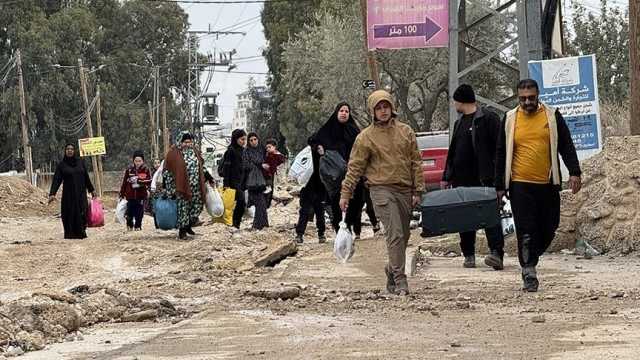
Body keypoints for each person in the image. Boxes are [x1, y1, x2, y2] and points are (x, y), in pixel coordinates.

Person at [495, 79, 582, 292]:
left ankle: (531, 256)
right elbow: (500, 152)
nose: (527, 102)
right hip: (519, 185)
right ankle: (529, 271)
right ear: (518, 98)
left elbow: (566, 144)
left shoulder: (552, 116)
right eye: (523, 98)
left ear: (538, 95)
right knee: (526, 229)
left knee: (550, 226)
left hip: (547, 183)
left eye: (531, 98)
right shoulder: (509, 119)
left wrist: (574, 171)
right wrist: (499, 185)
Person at [340, 90, 425, 296]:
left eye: (386, 106)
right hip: (380, 190)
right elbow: (355, 167)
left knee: (403, 236)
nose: (383, 111)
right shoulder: (365, 138)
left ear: (392, 107)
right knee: (394, 234)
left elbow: (416, 162)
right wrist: (346, 192)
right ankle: (400, 279)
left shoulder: (406, 132)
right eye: (378, 108)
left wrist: (418, 189)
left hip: (404, 189)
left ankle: (391, 268)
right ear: (373, 111)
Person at [441, 84, 505, 270]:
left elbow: (500, 150)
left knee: (490, 216)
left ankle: (496, 254)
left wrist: (498, 178)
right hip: (462, 181)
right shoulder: (459, 122)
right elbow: (453, 151)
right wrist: (447, 175)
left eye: (455, 101)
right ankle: (469, 255)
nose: (454, 104)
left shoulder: (488, 119)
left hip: (484, 180)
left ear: (461, 100)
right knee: (464, 218)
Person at [309, 102, 364, 237]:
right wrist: (318, 148)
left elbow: (363, 146)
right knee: (336, 201)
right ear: (336, 113)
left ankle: (349, 224)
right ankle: (340, 230)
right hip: (334, 174)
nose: (344, 113)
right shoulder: (327, 129)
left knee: (358, 199)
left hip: (353, 171)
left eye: (346, 111)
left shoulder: (353, 130)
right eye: (341, 111)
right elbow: (312, 140)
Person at [163, 132, 214, 239]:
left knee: (197, 206)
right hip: (181, 187)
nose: (188, 144)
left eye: (190, 142)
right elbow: (167, 172)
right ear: (180, 142)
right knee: (183, 208)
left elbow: (201, 167)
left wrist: (209, 177)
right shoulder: (173, 153)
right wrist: (169, 189)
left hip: (196, 186)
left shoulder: (195, 152)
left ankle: (189, 225)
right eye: (185, 142)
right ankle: (182, 231)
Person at [48, 143, 97, 239]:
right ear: (65, 151)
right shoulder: (62, 165)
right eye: (67, 149)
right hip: (68, 195)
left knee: (82, 212)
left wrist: (92, 189)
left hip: (81, 194)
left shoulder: (80, 162)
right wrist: (52, 193)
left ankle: (81, 232)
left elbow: (86, 177)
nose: (70, 150)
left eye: (71, 149)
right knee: (69, 213)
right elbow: (57, 179)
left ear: (74, 151)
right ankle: (70, 234)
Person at [295, 135, 327, 244]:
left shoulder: (324, 155)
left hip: (319, 188)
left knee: (319, 212)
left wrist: (323, 154)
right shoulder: (307, 155)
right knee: (305, 212)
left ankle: (321, 234)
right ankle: (300, 234)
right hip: (308, 189)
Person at [221, 129, 248, 229]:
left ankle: (236, 223)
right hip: (233, 181)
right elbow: (227, 168)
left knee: (240, 203)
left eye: (245, 139)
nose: (243, 142)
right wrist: (226, 184)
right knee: (240, 202)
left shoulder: (243, 150)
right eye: (242, 139)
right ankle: (234, 223)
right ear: (236, 139)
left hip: (241, 181)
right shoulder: (231, 151)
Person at [119, 150, 152, 231]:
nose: (137, 163)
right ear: (133, 160)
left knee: (139, 212)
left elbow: (149, 181)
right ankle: (129, 225)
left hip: (141, 195)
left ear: (143, 161)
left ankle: (138, 226)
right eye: (136, 161)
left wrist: (139, 181)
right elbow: (124, 182)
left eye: (139, 161)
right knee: (129, 211)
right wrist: (122, 193)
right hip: (130, 195)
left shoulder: (146, 169)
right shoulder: (129, 170)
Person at [244, 132, 269, 230]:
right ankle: (258, 225)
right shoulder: (246, 151)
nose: (253, 142)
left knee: (262, 204)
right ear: (248, 142)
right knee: (260, 203)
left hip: (262, 181)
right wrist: (259, 165)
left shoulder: (262, 150)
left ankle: (262, 224)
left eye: (255, 139)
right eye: (251, 140)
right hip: (252, 182)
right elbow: (245, 165)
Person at [262, 138, 285, 207]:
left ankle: (267, 205)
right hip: (265, 174)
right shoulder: (267, 154)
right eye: (267, 147)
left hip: (270, 175)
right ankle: (265, 204)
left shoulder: (277, 155)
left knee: (269, 189)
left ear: (274, 147)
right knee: (266, 189)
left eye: (269, 147)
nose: (268, 149)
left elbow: (282, 160)